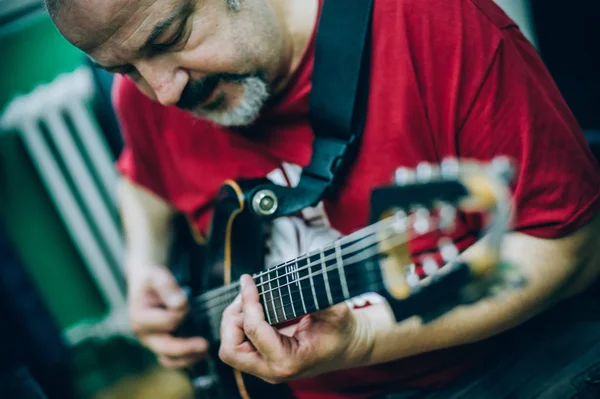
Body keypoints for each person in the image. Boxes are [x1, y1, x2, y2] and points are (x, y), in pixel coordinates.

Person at [44, 0, 600, 398]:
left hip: (505, 364)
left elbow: (570, 247)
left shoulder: (433, 22)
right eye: (123, 69)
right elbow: (140, 177)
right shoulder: (143, 96)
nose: (163, 92)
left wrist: (358, 341)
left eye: (168, 38)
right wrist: (142, 267)